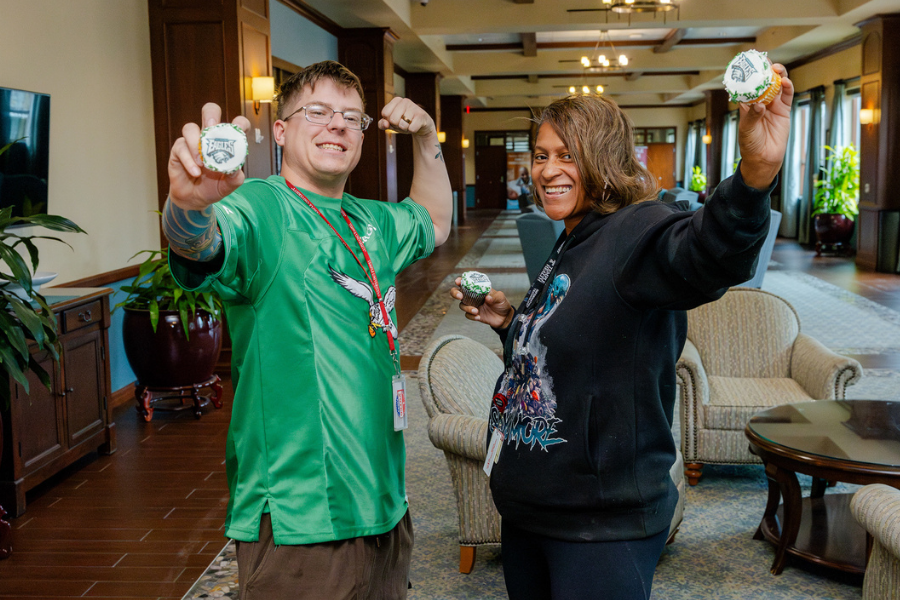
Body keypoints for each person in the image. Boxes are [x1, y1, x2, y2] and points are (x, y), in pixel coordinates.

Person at [452, 64, 793, 599]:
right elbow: (572, 341)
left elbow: (706, 254)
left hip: (600, 524)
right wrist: (511, 324)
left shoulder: (636, 229)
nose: (548, 170)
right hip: (531, 507)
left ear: (605, 161)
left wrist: (755, 174)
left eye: (568, 155)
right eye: (542, 155)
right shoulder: (572, 237)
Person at [163, 60, 452, 599]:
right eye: (316, 112)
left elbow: (434, 222)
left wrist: (428, 139)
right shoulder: (261, 206)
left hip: (385, 504)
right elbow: (199, 243)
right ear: (280, 130)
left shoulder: (371, 220)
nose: (337, 125)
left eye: (351, 117)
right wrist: (187, 206)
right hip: (302, 516)